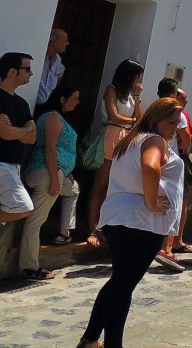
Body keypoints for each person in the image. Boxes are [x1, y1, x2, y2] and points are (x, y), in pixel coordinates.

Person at [78, 98, 185, 348]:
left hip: (119, 218)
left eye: (177, 123)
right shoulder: (154, 140)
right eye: (171, 122)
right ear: (156, 118)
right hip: (141, 222)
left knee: (119, 281)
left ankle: (90, 339)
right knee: (123, 286)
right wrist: (151, 203)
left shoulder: (132, 140)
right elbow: (150, 166)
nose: (175, 127)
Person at [19, 85, 80, 278]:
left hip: (58, 173)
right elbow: (50, 149)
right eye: (75, 97)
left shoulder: (62, 118)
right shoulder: (53, 117)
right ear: (62, 98)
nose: (77, 102)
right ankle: (29, 267)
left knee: (73, 190)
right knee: (36, 221)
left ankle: (65, 232)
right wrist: (55, 178)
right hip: (46, 172)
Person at [86, 59, 144, 248]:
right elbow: (114, 116)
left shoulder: (129, 95)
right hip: (112, 133)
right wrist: (133, 119)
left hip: (126, 137)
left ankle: (106, 226)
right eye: (136, 76)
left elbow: (139, 118)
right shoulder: (112, 90)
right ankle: (92, 228)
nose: (139, 80)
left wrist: (136, 97)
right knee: (101, 184)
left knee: (115, 186)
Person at [153, 78, 192, 271]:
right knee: (174, 203)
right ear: (173, 94)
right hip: (170, 159)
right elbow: (185, 141)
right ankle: (167, 249)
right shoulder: (177, 112)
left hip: (153, 156)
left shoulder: (152, 108)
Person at [0, 52, 36, 225]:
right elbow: (5, 134)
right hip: (2, 165)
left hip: (14, 167)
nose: (31, 73)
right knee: (24, 207)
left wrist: (17, 131)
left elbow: (32, 137)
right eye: (27, 69)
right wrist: (25, 129)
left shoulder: (22, 104)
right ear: (13, 71)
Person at [34, 29, 69, 114]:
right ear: (53, 44)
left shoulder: (57, 60)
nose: (67, 43)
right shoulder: (38, 57)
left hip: (42, 108)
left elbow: (61, 72)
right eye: (65, 41)